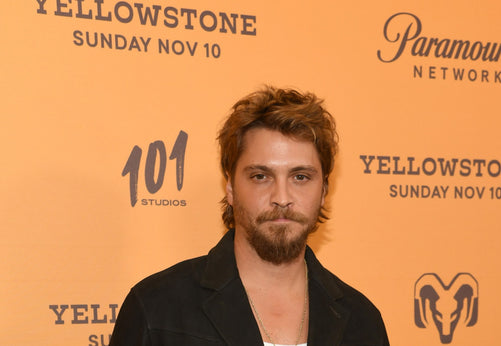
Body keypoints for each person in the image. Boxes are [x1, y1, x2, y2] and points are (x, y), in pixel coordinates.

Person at [110, 86, 390, 346]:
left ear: (324, 190)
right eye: (260, 176)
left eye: (301, 177)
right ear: (230, 188)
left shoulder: (362, 322)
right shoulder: (157, 309)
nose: (282, 197)